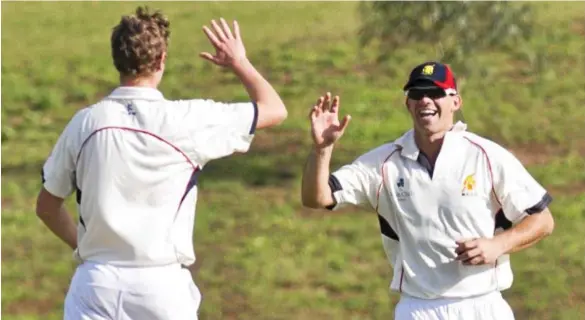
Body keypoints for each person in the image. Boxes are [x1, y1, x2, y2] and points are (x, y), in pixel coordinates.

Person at [35, 6, 287, 320]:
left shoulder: (84, 123)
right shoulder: (187, 120)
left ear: (117, 59)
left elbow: (46, 206)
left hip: (95, 285)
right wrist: (239, 62)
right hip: (162, 289)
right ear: (161, 60)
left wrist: (86, 248)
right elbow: (274, 108)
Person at [301, 61, 554, 320]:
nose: (425, 100)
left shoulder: (486, 156)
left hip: (483, 305)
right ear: (408, 104)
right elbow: (317, 198)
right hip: (419, 308)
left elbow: (543, 220)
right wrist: (322, 149)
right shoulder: (383, 163)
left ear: (456, 101)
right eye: (416, 94)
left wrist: (498, 244)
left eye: (435, 93)